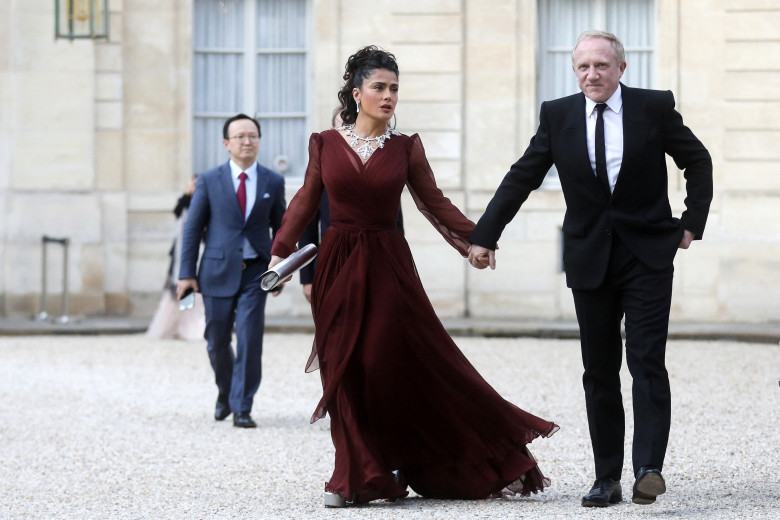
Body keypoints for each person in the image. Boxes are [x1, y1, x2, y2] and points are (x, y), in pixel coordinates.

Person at [268, 45, 558, 507]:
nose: (388, 96)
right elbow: (304, 201)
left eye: (394, 89)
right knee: (343, 367)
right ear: (357, 92)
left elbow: (434, 203)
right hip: (338, 265)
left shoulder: (406, 148)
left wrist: (476, 242)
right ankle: (356, 477)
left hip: (387, 265)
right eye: (379, 87)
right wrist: (279, 256)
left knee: (380, 360)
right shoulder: (324, 143)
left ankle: (410, 457)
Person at [469, 30, 713, 507]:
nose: (592, 74)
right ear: (574, 71)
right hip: (589, 259)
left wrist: (691, 223)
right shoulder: (557, 116)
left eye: (601, 66)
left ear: (621, 68)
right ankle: (607, 478)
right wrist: (485, 234)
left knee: (646, 361)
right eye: (583, 67)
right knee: (599, 370)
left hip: (647, 255)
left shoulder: (653, 107)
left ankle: (648, 469)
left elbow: (697, 161)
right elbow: (523, 175)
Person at [178, 113, 286, 428]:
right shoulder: (209, 180)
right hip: (215, 272)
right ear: (226, 144)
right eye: (239, 136)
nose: (247, 141)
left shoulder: (273, 181)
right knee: (216, 340)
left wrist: (281, 266)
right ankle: (225, 392)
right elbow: (192, 228)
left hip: (256, 273)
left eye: (252, 135)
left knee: (251, 339)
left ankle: (242, 406)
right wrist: (187, 274)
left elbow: (281, 228)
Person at [146, 176, 206, 340]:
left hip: (199, 252)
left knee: (194, 295)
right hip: (181, 254)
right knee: (175, 293)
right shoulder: (185, 204)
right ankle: (177, 326)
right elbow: (179, 213)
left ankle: (188, 327)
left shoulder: (206, 203)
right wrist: (187, 195)